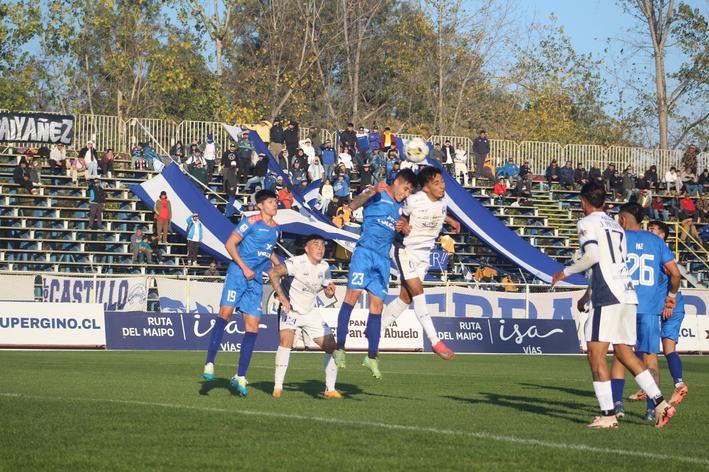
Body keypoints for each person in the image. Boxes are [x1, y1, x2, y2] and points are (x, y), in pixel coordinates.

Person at [551, 183, 675, 429]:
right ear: (604, 203)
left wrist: (565, 272)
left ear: (583, 202)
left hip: (607, 294)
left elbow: (593, 257)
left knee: (595, 353)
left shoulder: (586, 222)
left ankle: (608, 415)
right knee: (624, 352)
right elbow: (616, 260)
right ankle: (661, 404)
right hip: (627, 292)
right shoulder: (616, 226)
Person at [333, 169, 417, 379]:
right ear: (397, 182)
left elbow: (401, 235)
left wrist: (404, 229)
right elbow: (352, 206)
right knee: (351, 298)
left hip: (382, 260)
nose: (406, 194)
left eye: (409, 191)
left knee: (377, 307)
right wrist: (370, 192)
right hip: (364, 254)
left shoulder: (401, 210)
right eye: (406, 188)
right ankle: (340, 347)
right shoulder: (376, 193)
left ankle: (371, 356)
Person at [202, 190, 280, 396]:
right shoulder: (251, 222)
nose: (274, 205)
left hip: (255, 280)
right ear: (260, 205)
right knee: (225, 314)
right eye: (270, 202)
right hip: (238, 273)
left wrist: (280, 266)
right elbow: (230, 243)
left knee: (253, 327)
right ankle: (210, 362)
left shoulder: (276, 229)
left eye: (275, 202)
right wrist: (244, 267)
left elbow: (268, 250)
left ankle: (240, 375)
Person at [608, 203, 681, 422]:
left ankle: (616, 404)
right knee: (650, 358)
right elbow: (675, 274)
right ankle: (652, 408)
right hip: (649, 309)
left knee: (621, 354)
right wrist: (671, 297)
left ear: (622, 219)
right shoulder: (656, 242)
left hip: (624, 305)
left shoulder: (618, 238)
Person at [381, 166, 459, 360]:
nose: (442, 186)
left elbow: (437, 211)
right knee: (418, 292)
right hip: (405, 250)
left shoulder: (443, 203)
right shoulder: (414, 200)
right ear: (425, 187)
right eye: (436, 183)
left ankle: (374, 330)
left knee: (405, 299)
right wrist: (402, 224)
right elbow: (401, 214)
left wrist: (450, 221)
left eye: (442, 182)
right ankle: (435, 341)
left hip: (424, 255)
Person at [267, 235, 341, 398]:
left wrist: (329, 293)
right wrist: (282, 298)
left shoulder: (325, 267)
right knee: (286, 342)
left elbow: (326, 290)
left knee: (331, 346)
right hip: (291, 310)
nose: (320, 248)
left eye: (322, 245)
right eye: (315, 244)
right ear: (306, 249)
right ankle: (278, 387)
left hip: (309, 311)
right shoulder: (297, 262)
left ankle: (330, 389)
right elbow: (272, 273)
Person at [647, 220, 689, 405]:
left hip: (669, 306)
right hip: (664, 305)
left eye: (653, 229)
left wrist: (670, 303)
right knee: (664, 349)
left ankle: (650, 386)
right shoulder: (657, 251)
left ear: (662, 235)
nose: (649, 231)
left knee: (648, 348)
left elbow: (675, 276)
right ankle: (677, 384)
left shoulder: (661, 252)